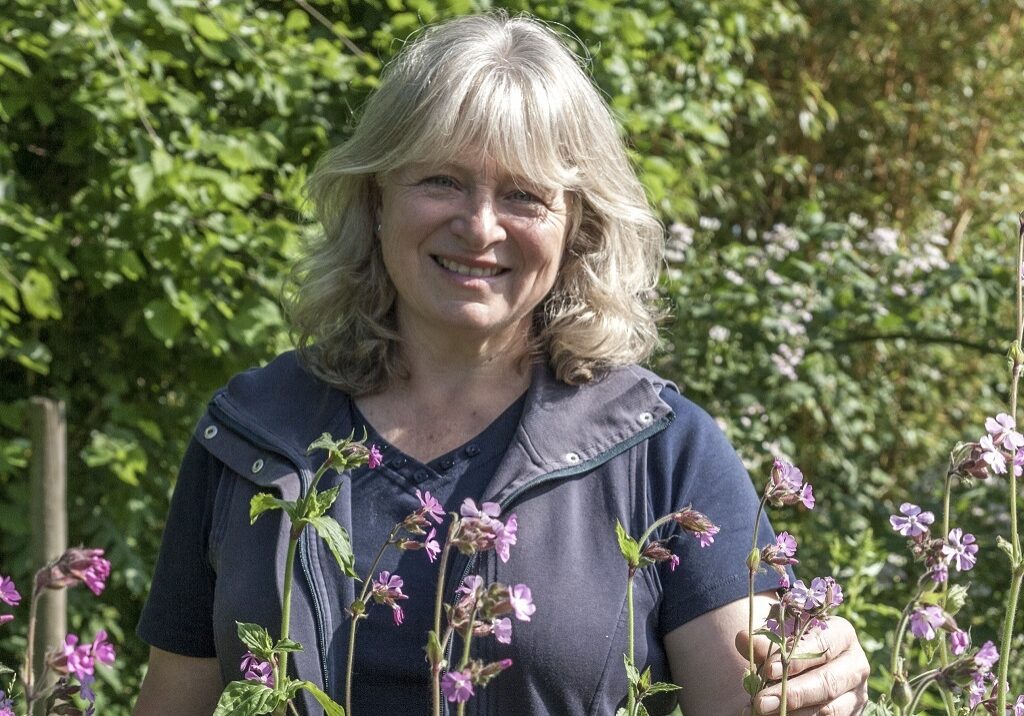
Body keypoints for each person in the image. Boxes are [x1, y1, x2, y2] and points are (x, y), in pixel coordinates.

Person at [133, 12, 869, 716]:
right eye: (441, 181)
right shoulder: (258, 433)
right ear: (376, 197)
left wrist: (821, 679)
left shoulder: (662, 451)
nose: (480, 226)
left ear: (577, 226)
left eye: (523, 195)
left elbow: (761, 695)